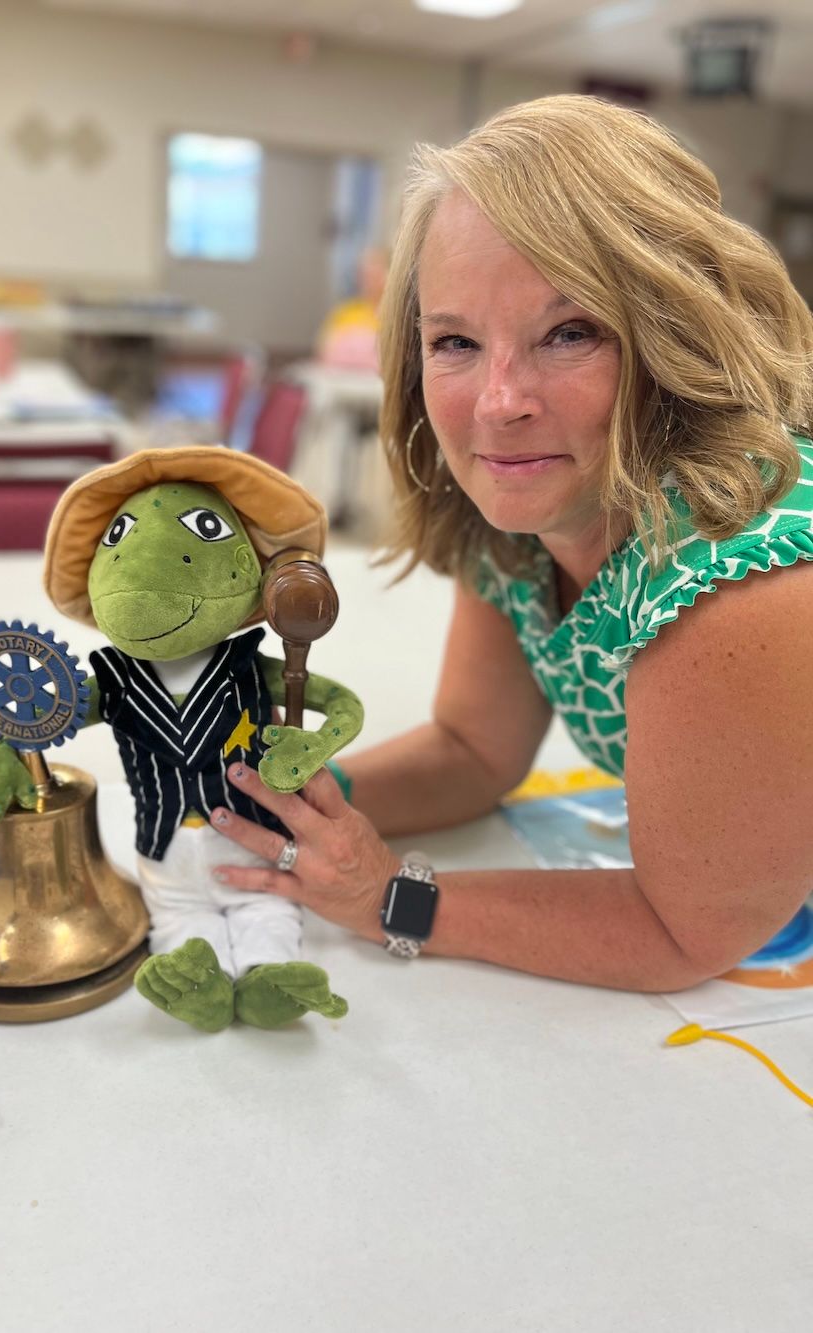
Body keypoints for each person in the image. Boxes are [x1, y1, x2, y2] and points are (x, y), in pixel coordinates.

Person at [205, 94, 813, 994]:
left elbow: (683, 934)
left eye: (569, 333)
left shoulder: (746, 590)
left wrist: (389, 901)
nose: (498, 403)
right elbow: (472, 749)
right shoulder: (530, 516)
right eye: (455, 340)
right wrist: (286, 804)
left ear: (674, 335)